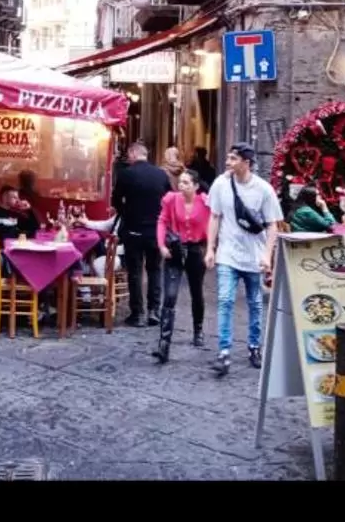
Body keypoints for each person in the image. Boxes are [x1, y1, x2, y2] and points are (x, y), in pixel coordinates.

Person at [205, 144, 281, 375]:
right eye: (228, 157)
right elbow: (215, 217)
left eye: (233, 158)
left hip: (253, 256)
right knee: (225, 300)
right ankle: (224, 350)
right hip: (227, 254)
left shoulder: (263, 189)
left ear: (246, 163)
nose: (228, 161)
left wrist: (267, 255)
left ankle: (254, 346)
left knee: (255, 304)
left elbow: (272, 225)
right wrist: (210, 248)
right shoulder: (220, 184)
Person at [153, 168, 210, 361]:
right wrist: (161, 245)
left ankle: (198, 329)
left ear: (195, 186)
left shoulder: (205, 202)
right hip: (175, 250)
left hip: (196, 251)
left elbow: (213, 224)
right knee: (169, 295)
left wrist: (211, 249)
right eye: (181, 182)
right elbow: (162, 221)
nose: (181, 185)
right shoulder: (171, 199)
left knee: (196, 292)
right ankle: (164, 344)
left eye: (186, 183)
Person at [112, 141, 172, 325]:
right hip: (155, 230)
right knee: (155, 270)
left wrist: (126, 211)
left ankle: (137, 313)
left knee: (135, 272)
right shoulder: (161, 174)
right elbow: (169, 200)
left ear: (132, 154)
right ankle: (154, 311)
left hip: (133, 230)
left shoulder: (126, 174)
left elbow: (115, 199)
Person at [0, 183, 39, 269]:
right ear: (5, 197)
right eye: (14, 197)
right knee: (1, 257)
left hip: (13, 251)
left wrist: (29, 210)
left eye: (18, 197)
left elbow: (34, 228)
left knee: (31, 258)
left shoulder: (16, 215)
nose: (17, 200)